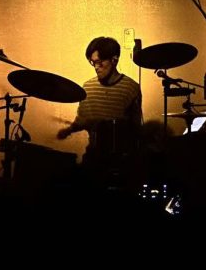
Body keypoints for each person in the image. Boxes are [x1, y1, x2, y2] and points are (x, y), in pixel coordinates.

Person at [56, 36, 142, 175]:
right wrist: (68, 130)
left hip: (123, 158)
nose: (96, 67)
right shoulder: (88, 87)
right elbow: (82, 120)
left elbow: (136, 126)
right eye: (93, 63)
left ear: (114, 60)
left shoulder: (131, 88)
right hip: (94, 156)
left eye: (99, 62)